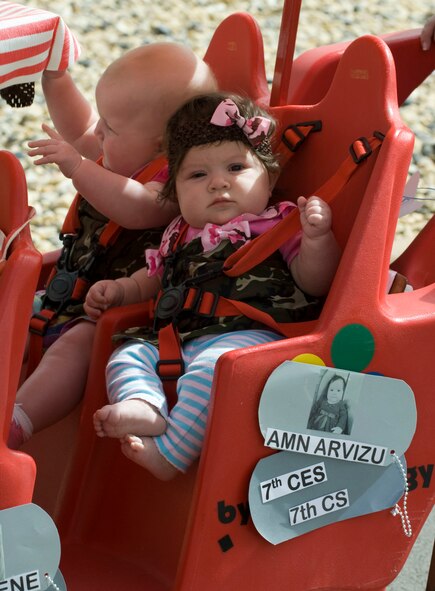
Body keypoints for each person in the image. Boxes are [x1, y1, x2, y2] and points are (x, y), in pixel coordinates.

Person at [83, 93, 342, 481]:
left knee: (213, 371)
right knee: (126, 355)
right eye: (197, 175)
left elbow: (314, 282)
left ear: (269, 178)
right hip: (176, 338)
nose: (218, 183)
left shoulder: (277, 224)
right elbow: (154, 278)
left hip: (250, 339)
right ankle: (145, 403)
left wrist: (318, 239)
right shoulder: (178, 233)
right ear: (175, 193)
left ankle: (170, 456)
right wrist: (122, 291)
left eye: (236, 167)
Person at [7, 43, 217, 449]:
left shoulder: (177, 182)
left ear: (161, 144)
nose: (98, 133)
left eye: (112, 128)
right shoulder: (122, 154)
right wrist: (56, 76)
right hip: (70, 290)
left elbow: (136, 208)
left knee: (75, 349)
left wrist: (76, 167)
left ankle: (18, 421)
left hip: (121, 310)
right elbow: (81, 128)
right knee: (10, 315)